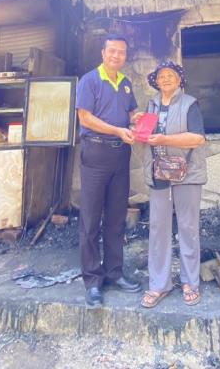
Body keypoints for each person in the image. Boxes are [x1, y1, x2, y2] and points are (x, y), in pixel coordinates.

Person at [75, 35, 142, 308]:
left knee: (116, 217)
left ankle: (114, 272)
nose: (116, 55)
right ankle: (93, 280)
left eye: (121, 52)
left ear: (125, 56)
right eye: (112, 51)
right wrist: (117, 130)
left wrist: (136, 119)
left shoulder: (125, 83)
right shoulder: (89, 80)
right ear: (103, 53)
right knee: (91, 219)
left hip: (120, 154)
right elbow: (85, 117)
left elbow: (131, 111)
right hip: (96, 152)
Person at [140, 60, 207, 308]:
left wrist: (165, 139)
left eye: (171, 75)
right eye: (161, 76)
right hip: (158, 172)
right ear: (156, 82)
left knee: (188, 227)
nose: (166, 78)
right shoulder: (152, 105)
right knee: (158, 229)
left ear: (179, 80)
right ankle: (159, 284)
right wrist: (138, 126)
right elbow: (145, 135)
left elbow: (198, 138)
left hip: (186, 173)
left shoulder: (189, 103)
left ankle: (190, 282)